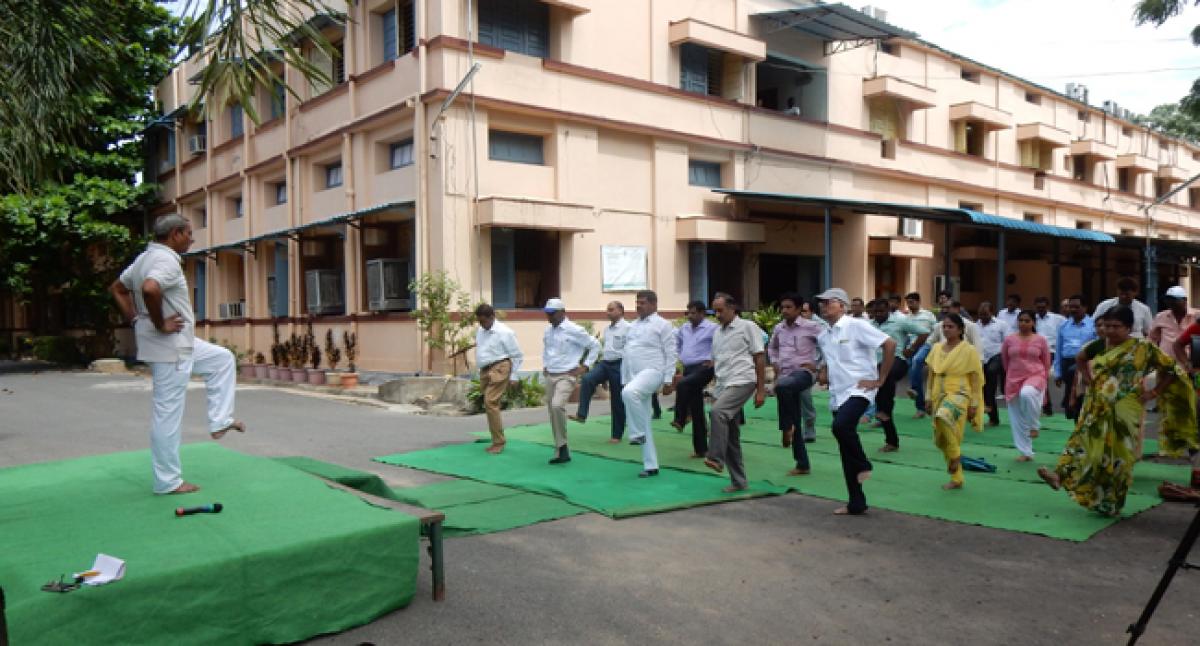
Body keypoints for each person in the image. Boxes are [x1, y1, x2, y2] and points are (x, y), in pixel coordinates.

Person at [108, 214, 244, 495]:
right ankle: (168, 482)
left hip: (181, 343)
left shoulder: (145, 258)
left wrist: (135, 319)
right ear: (175, 234)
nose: (192, 239)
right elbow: (150, 289)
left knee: (222, 359)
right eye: (189, 233)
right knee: (167, 414)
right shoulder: (165, 260)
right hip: (170, 347)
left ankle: (220, 420)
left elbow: (117, 289)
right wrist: (159, 323)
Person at [1039, 306, 1198, 516]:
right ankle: (1061, 476)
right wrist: (1089, 380)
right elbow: (1080, 358)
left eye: (1116, 326)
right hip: (1097, 405)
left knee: (1120, 457)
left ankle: (1112, 502)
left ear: (1129, 327)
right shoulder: (1100, 344)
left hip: (1127, 408)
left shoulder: (1143, 348)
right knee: (1084, 443)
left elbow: (1170, 369)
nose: (1110, 330)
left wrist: (1154, 393)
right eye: (1107, 326)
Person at [816, 288, 896, 515]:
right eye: (820, 303)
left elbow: (889, 344)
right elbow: (827, 361)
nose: (823, 306)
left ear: (842, 305)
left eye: (828, 302)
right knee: (845, 447)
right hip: (837, 393)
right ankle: (856, 501)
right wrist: (822, 371)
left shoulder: (856, 325)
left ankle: (864, 464)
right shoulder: (824, 335)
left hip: (859, 390)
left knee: (841, 427)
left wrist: (880, 379)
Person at [703, 293, 767, 492]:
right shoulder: (717, 333)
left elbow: (759, 357)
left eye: (721, 310)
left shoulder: (747, 327)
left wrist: (761, 390)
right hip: (724, 384)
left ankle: (715, 458)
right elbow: (717, 362)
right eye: (715, 311)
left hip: (743, 380)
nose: (718, 314)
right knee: (730, 434)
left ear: (733, 309)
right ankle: (739, 481)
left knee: (717, 413)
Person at [621, 290, 678, 477]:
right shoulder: (632, 326)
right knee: (643, 417)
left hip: (654, 371)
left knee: (629, 393)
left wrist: (669, 379)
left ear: (654, 304)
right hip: (635, 375)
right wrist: (624, 378)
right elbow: (627, 354)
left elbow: (671, 353)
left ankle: (636, 434)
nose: (638, 306)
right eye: (637, 302)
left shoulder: (663, 325)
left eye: (643, 302)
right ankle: (651, 465)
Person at [924, 313, 984, 490]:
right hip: (938, 393)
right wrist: (928, 397)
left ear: (960, 329)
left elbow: (976, 379)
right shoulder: (936, 348)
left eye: (951, 327)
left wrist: (974, 403)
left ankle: (956, 456)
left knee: (944, 417)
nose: (947, 329)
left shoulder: (969, 350)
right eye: (944, 326)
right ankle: (957, 478)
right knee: (943, 437)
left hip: (960, 392)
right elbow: (931, 375)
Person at [768, 292, 823, 475]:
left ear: (799, 309)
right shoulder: (779, 328)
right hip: (785, 374)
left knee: (781, 387)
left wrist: (819, 366)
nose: (784, 311)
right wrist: (774, 361)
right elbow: (772, 347)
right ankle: (802, 464)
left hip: (804, 373)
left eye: (789, 307)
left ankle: (786, 426)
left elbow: (829, 345)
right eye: (782, 307)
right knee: (794, 412)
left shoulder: (812, 327)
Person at [541, 298, 601, 465]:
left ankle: (563, 447)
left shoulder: (574, 330)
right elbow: (546, 350)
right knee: (552, 411)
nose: (549, 317)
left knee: (557, 405)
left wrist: (586, 366)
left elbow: (595, 345)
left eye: (552, 314)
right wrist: (545, 365)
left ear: (562, 312)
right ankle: (561, 448)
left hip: (567, 375)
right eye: (547, 313)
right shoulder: (548, 331)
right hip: (551, 374)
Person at [870, 298, 930, 452]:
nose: (878, 315)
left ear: (888, 310)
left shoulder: (900, 321)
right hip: (877, 365)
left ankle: (883, 409)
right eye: (875, 312)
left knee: (886, 378)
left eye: (881, 311)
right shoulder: (870, 325)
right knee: (881, 391)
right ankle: (891, 440)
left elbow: (924, 333)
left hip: (898, 360)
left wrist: (911, 349)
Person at [571, 301, 629, 443]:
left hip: (620, 364)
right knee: (588, 378)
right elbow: (606, 350)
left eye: (611, 309)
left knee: (617, 400)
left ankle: (616, 435)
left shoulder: (629, 328)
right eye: (607, 310)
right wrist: (603, 378)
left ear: (621, 311)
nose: (608, 312)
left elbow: (631, 350)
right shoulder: (607, 329)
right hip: (605, 363)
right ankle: (582, 414)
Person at [666, 301, 717, 455]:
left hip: (704, 367)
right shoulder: (685, 328)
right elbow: (678, 343)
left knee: (682, 385)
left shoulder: (712, 328)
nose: (690, 316)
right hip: (689, 367)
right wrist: (681, 356)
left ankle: (681, 418)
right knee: (697, 407)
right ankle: (701, 449)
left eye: (693, 313)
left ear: (702, 313)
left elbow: (720, 344)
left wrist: (714, 358)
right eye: (688, 313)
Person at [474, 303, 524, 454]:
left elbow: (517, 355)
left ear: (492, 317)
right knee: (489, 403)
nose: (481, 324)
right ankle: (496, 438)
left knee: (490, 402)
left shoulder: (505, 332)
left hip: (500, 367)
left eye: (483, 321)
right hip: (486, 369)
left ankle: (499, 442)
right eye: (479, 321)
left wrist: (513, 376)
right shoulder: (481, 330)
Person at [1001, 311, 1051, 462]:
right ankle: (1026, 452)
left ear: (1033, 323)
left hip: (1035, 376)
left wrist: (1045, 380)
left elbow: (1046, 362)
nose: (1023, 323)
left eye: (1027, 321)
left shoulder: (1041, 340)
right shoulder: (1009, 340)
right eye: (1021, 320)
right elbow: (1005, 361)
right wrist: (1011, 375)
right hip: (1013, 378)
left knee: (1027, 394)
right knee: (1016, 417)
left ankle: (1034, 425)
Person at [1054, 295, 1095, 420]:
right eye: (1070, 307)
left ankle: (1069, 403)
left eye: (1076, 307)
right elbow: (1058, 350)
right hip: (1067, 361)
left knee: (1081, 394)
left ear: (1085, 307)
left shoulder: (1093, 325)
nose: (1073, 309)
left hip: (1086, 363)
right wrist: (1058, 372)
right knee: (1075, 390)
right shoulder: (1063, 326)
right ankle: (1071, 407)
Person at [904, 292, 938, 419]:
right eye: (908, 302)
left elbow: (936, 331)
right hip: (911, 345)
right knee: (911, 368)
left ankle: (913, 388)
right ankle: (921, 408)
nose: (909, 304)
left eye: (912, 302)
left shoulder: (928, 315)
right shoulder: (906, 317)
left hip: (926, 344)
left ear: (918, 302)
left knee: (917, 361)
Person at [975, 302, 1009, 427]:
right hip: (980, 358)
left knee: (991, 371)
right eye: (980, 315)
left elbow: (1007, 342)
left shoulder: (1001, 325)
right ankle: (993, 417)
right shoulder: (975, 326)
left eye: (985, 314)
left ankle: (1000, 385)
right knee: (985, 390)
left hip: (996, 356)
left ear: (992, 312)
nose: (983, 317)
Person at [1032, 296, 1065, 414]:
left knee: (1042, 377)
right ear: (1035, 307)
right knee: (1039, 378)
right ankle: (1045, 405)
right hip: (1035, 352)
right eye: (1038, 307)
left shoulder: (1057, 319)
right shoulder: (1032, 319)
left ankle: (1047, 406)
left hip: (1051, 351)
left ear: (1047, 306)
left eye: (1043, 307)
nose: (1040, 309)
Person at [1150, 286, 1197, 367]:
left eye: (1174, 299)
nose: (1170, 302)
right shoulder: (1161, 316)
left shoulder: (1196, 316)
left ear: (1185, 300)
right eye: (1168, 299)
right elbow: (1152, 339)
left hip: (1191, 365)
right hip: (1166, 365)